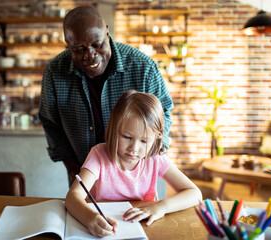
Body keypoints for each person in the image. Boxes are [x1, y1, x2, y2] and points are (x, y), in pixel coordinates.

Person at [38, 6, 174, 186]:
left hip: (135, 174)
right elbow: (50, 121)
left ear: (107, 33)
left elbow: (163, 111)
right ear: (68, 44)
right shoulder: (54, 72)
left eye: (97, 44)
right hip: (83, 172)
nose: (90, 55)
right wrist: (69, 165)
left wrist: (155, 148)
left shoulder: (143, 67)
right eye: (79, 50)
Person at [65, 90, 202, 237]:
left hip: (142, 229)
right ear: (113, 130)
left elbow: (195, 194)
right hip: (104, 228)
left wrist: (160, 207)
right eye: (127, 137)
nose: (134, 148)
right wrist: (89, 218)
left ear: (156, 139)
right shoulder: (98, 155)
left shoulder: (155, 158)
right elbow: (73, 197)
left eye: (144, 141)